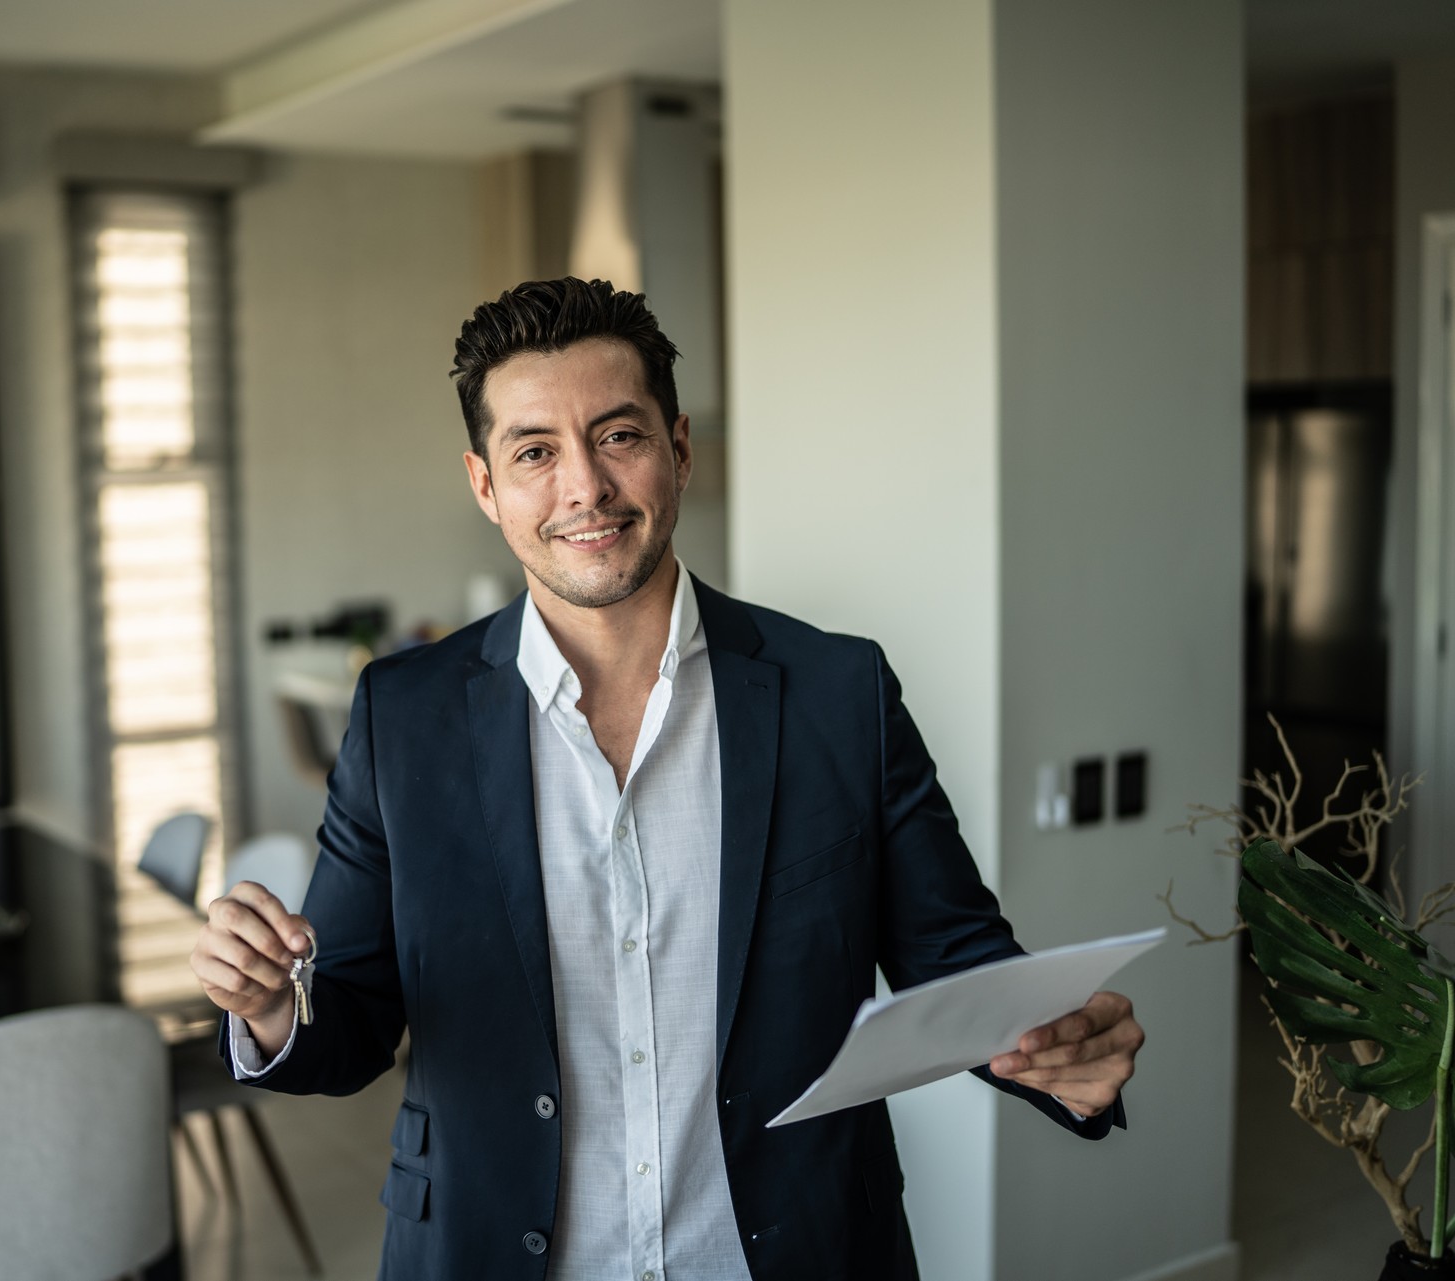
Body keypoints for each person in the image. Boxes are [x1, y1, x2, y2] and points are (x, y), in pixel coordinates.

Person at [189, 278, 1144, 1280]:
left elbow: (955, 960)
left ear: (677, 449)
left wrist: (1059, 1053)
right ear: (484, 485)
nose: (584, 490)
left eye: (619, 436)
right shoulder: (402, 718)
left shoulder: (834, 690)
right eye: (535, 453)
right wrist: (267, 1008)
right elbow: (348, 1020)